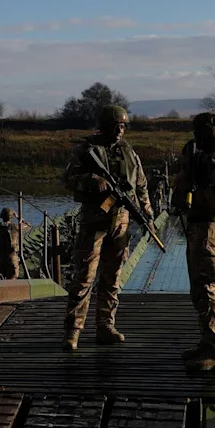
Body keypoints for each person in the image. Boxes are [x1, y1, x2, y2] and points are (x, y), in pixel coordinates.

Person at [61, 105, 154, 351]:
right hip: (93, 220)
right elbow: (67, 179)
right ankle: (73, 331)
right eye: (116, 126)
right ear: (104, 126)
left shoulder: (129, 153)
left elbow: (141, 185)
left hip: (120, 222)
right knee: (84, 277)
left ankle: (105, 326)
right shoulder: (86, 150)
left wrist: (147, 212)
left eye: (123, 126)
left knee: (112, 278)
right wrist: (91, 181)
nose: (120, 131)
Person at [171, 111, 215, 371]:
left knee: (207, 288)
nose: (195, 138)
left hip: (210, 229)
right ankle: (207, 343)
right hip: (199, 227)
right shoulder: (205, 158)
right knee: (198, 292)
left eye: (199, 133)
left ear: (211, 134)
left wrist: (191, 193)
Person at [0, 208, 21, 280]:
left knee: (0, 277)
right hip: (11, 257)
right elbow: (28, 226)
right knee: (12, 278)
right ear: (11, 217)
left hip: (0, 257)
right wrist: (18, 218)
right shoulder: (16, 227)